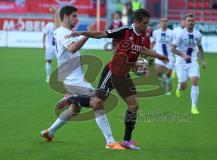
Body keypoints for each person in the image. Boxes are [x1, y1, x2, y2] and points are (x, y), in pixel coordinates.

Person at [65, 9, 169, 150]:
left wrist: (156, 57)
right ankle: (73, 98)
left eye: (147, 23)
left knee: (134, 105)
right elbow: (103, 34)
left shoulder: (143, 34)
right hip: (112, 72)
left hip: (124, 75)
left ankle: (126, 141)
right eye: (144, 23)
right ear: (136, 22)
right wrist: (83, 33)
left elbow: (141, 49)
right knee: (97, 103)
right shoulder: (125, 30)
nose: (146, 26)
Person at [40, 6, 125, 150]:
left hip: (73, 78)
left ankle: (50, 132)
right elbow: (72, 48)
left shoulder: (61, 31)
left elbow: (58, 28)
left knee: (75, 110)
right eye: (74, 16)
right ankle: (110, 142)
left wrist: (56, 14)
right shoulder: (63, 33)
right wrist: (88, 34)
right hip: (73, 80)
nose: (77, 19)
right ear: (66, 17)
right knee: (97, 103)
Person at [171, 14, 207, 115]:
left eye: (192, 20)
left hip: (192, 62)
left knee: (195, 81)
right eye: (189, 20)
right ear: (185, 22)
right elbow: (172, 48)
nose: (191, 22)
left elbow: (200, 48)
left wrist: (203, 60)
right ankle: (179, 88)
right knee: (183, 86)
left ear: (194, 22)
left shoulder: (198, 34)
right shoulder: (180, 34)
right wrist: (183, 55)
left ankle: (194, 107)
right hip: (181, 62)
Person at [151, 17, 174, 95]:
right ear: (160, 23)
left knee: (168, 74)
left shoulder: (172, 33)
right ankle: (165, 81)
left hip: (169, 57)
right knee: (158, 72)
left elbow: (175, 44)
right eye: (162, 21)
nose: (164, 23)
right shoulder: (155, 32)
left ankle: (167, 83)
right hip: (159, 56)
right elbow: (153, 41)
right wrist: (150, 51)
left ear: (168, 23)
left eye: (166, 21)